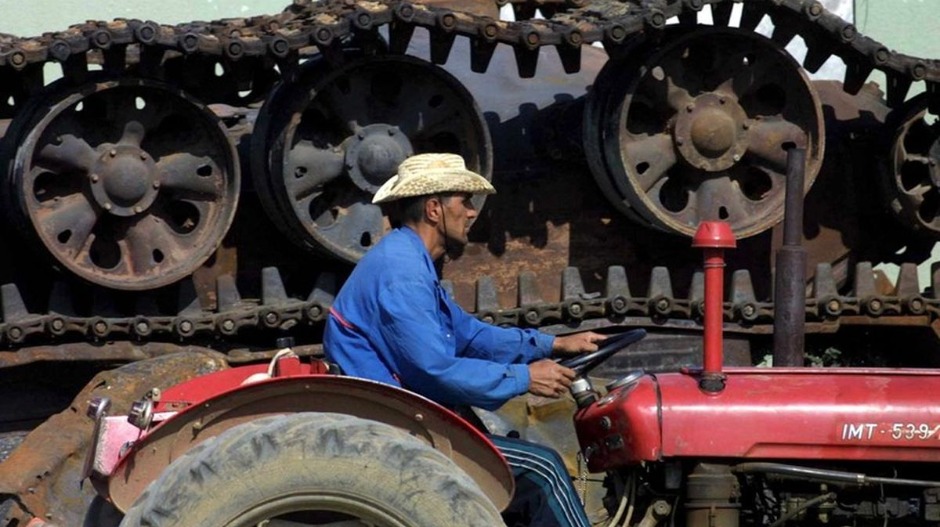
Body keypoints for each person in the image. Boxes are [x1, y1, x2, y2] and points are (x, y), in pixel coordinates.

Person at [324, 153, 605, 527]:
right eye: (465, 201)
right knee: (543, 469)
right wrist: (525, 378)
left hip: (408, 418)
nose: (472, 212)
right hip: (399, 431)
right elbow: (433, 370)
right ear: (434, 209)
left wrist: (552, 344)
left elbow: (470, 335)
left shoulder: (410, 260)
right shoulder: (402, 273)